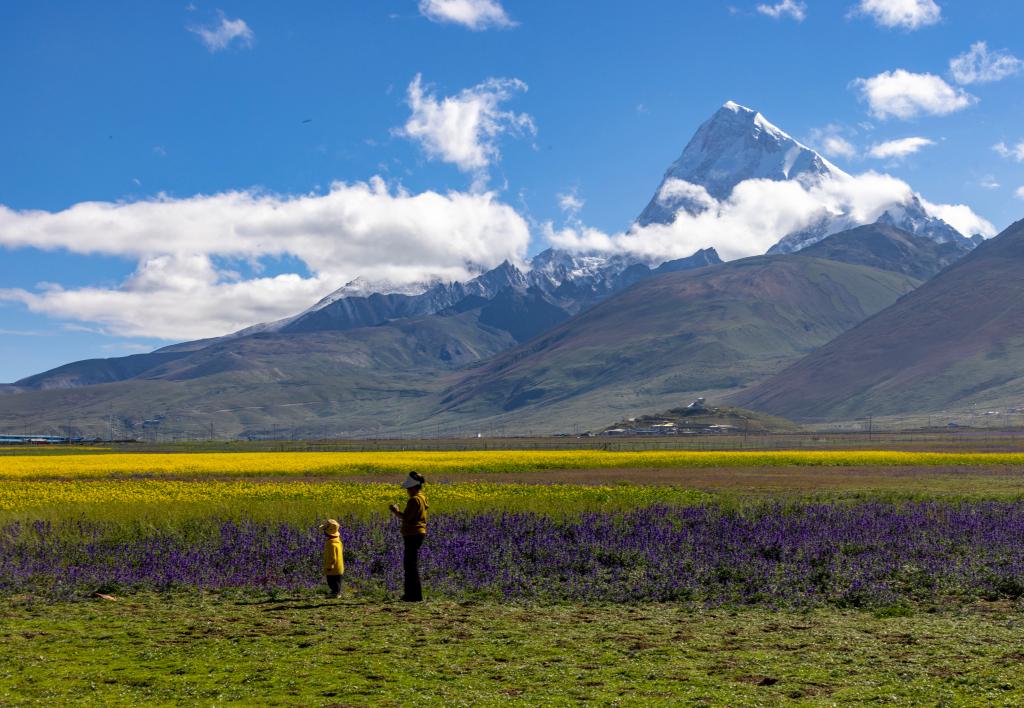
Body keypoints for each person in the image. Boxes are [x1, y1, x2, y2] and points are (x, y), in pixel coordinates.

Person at [388, 472, 428, 602]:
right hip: (419, 533)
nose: (407, 491)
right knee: (412, 565)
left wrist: (395, 511)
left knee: (410, 566)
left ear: (414, 487)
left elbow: (406, 518)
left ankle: (412, 596)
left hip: (412, 534)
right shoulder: (422, 497)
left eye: (408, 488)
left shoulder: (414, 499)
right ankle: (413, 595)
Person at [318, 518, 345, 598]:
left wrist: (329, 566)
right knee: (337, 581)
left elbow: (332, 557)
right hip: (339, 567)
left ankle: (335, 593)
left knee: (332, 581)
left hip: (333, 568)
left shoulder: (331, 544)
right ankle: (337, 592)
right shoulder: (338, 541)